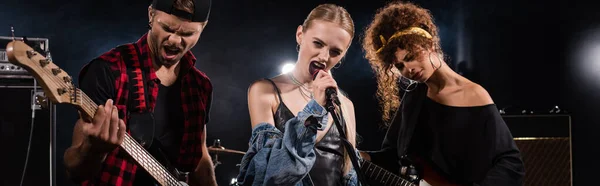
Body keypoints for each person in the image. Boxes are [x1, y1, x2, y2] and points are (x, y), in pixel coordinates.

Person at [360, 1, 525, 186]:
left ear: (429, 44)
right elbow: (392, 157)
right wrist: (358, 156)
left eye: (410, 57)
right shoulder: (413, 97)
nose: (408, 69)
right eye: (400, 66)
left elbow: (511, 162)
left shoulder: (474, 95)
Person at [63, 0, 217, 185]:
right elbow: (74, 168)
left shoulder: (200, 85)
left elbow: (200, 156)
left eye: (188, 33)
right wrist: (94, 149)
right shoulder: (108, 70)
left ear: (203, 28)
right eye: (168, 28)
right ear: (151, 15)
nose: (175, 40)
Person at [236, 4, 361, 186]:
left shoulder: (346, 105)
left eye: (335, 52)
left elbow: (348, 176)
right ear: (300, 35)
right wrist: (316, 109)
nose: (324, 57)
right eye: (318, 43)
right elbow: (270, 173)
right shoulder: (265, 91)